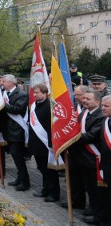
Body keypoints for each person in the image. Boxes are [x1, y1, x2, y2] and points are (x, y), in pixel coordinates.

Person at [70, 89, 104, 225]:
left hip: (93, 157)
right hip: (81, 156)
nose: (84, 101)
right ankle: (91, 208)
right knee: (87, 185)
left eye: (88, 99)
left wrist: (70, 139)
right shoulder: (84, 113)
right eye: (84, 98)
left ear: (97, 101)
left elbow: (91, 136)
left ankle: (98, 213)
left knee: (95, 188)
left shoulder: (100, 116)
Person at [28, 83, 60, 202]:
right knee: (41, 168)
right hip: (36, 143)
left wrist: (51, 143)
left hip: (46, 143)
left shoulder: (50, 106)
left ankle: (54, 193)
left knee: (50, 170)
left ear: (45, 93)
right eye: (34, 92)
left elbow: (52, 127)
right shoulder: (33, 105)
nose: (35, 95)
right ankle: (45, 190)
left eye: (37, 92)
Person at [1, 74, 30, 191]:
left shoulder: (21, 94)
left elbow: (17, 109)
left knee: (18, 156)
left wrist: (3, 104)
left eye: (4, 81)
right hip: (9, 129)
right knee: (15, 156)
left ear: (11, 83)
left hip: (17, 130)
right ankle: (20, 178)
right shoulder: (6, 93)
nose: (2, 83)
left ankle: (25, 182)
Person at [98, 95, 111, 226]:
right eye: (102, 105)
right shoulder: (105, 121)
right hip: (107, 165)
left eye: (106, 106)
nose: (102, 108)